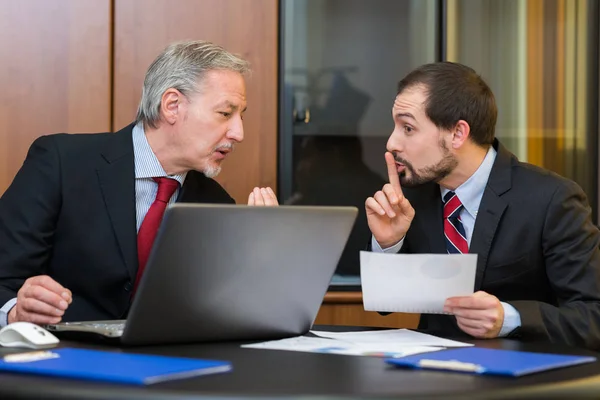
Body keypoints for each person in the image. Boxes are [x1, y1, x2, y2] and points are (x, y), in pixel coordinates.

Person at [0, 40, 278, 327]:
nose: (238, 133)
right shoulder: (60, 163)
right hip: (60, 358)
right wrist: (14, 312)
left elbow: (225, 312)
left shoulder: (217, 205)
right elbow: (3, 277)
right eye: (225, 113)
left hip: (168, 365)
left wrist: (261, 255)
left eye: (240, 116)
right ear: (172, 106)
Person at [366, 61, 600, 349]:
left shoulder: (552, 199)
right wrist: (388, 244)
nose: (392, 142)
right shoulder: (409, 197)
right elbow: (386, 304)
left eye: (408, 128)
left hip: (520, 381)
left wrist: (509, 319)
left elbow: (592, 316)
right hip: (430, 379)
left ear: (457, 134)